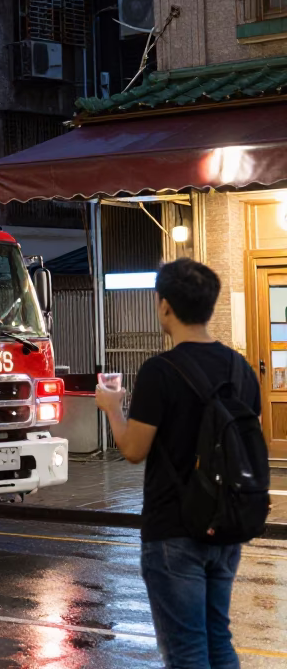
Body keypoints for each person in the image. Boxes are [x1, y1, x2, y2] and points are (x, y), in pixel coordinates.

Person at [95, 258, 261, 669]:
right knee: (218, 640)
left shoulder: (159, 370)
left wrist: (112, 409)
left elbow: (134, 449)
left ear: (165, 306)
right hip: (226, 522)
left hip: (173, 528)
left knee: (186, 650)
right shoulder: (240, 368)